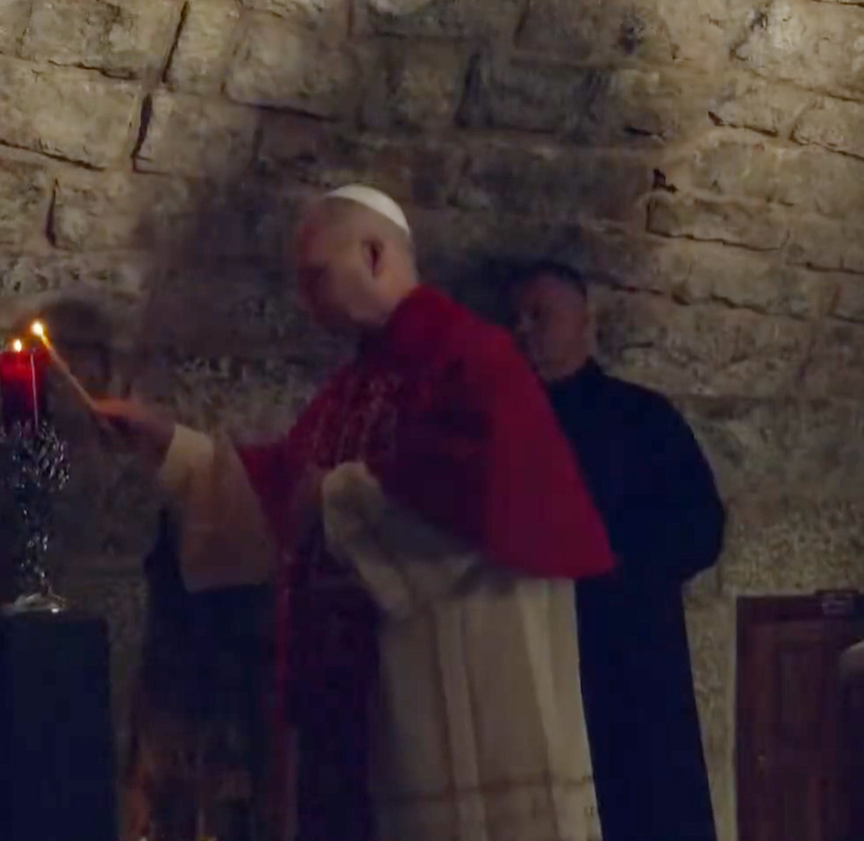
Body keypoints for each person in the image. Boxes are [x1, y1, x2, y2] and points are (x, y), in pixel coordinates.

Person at [95, 185, 615, 841]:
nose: (305, 300)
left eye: (316, 276)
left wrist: (334, 496)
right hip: (360, 715)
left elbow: (483, 492)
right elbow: (281, 488)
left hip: (461, 703)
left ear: (374, 254)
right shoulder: (354, 384)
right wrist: (166, 441)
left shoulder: (471, 355)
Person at [510, 260, 726, 841]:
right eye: (518, 319)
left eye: (541, 316)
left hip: (632, 660)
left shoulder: (644, 419)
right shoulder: (504, 429)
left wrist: (608, 557)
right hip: (539, 667)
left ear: (585, 320)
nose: (525, 331)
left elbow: (703, 528)